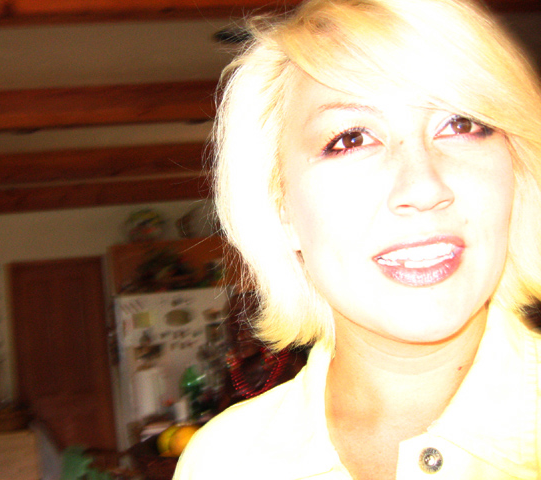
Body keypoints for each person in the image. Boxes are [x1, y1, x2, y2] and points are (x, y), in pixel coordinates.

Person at [174, 0, 541, 478]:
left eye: (462, 124)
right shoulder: (222, 464)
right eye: (350, 138)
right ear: (281, 207)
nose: (424, 188)